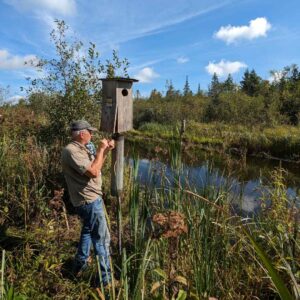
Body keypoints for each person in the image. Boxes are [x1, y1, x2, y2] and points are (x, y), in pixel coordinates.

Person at [61, 120, 115, 286]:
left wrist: (105, 151)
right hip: (88, 200)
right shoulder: (71, 150)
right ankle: (106, 282)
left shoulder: (81, 148)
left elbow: (96, 167)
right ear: (82, 133)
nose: (92, 135)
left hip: (90, 199)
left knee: (87, 231)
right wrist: (100, 149)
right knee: (101, 239)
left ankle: (79, 264)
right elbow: (92, 172)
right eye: (90, 132)